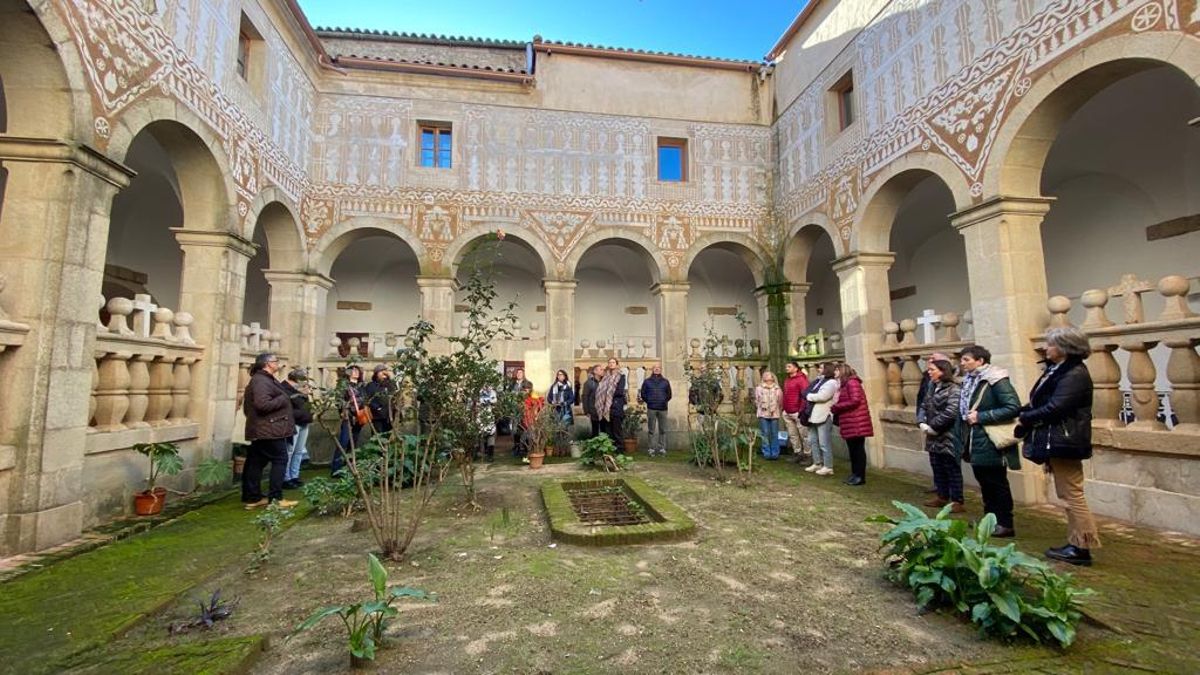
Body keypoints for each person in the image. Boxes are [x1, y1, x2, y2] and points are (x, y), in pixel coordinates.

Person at [1018, 327, 1100, 565]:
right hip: (1058, 438)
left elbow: (1057, 407)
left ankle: (1082, 547)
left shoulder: (1074, 374)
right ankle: (1076, 542)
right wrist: (1023, 411)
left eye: (1051, 344)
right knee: (1068, 494)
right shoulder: (1059, 370)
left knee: (1072, 494)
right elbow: (1042, 400)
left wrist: (1027, 418)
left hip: (1065, 439)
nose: (1047, 348)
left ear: (1066, 348)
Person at [959, 345, 1021, 536]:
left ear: (980, 361)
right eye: (962, 359)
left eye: (966, 359)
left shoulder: (996, 380)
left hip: (991, 440)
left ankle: (1005, 523)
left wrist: (981, 417)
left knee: (996, 482)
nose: (962, 363)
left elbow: (1013, 407)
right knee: (984, 482)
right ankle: (989, 519)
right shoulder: (970, 380)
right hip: (975, 439)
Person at [242, 353, 297, 509]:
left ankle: (253, 497)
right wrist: (284, 398)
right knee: (280, 460)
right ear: (267, 364)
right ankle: (275, 498)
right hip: (269, 430)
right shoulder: (261, 381)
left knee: (256, 462)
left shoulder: (264, 379)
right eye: (275, 361)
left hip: (264, 429)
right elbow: (262, 404)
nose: (278, 363)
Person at [919, 359, 964, 508]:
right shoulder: (932, 386)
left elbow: (951, 412)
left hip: (948, 434)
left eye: (932, 369)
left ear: (943, 371)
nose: (929, 372)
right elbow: (924, 405)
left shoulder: (954, 389)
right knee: (937, 466)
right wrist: (921, 422)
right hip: (933, 435)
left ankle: (957, 500)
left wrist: (933, 426)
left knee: (951, 468)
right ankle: (942, 496)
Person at [831, 363, 873, 485]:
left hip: (856, 421)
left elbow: (855, 400)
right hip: (850, 421)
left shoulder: (852, 383)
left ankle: (860, 476)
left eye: (837, 370)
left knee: (858, 450)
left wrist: (837, 407)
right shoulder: (845, 384)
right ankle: (855, 474)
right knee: (853, 450)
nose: (835, 373)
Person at [915, 351, 950, 494]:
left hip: (944, 426)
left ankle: (952, 495)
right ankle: (939, 487)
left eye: (933, 359)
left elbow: (951, 408)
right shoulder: (927, 378)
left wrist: (935, 424)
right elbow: (923, 399)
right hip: (928, 423)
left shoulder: (951, 384)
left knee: (948, 462)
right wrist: (921, 419)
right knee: (934, 458)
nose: (929, 360)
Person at [805, 363, 840, 476]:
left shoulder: (831, 383)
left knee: (824, 442)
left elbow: (823, 396)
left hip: (823, 414)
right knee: (812, 440)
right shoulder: (819, 380)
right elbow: (808, 390)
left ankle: (828, 466)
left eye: (821, 367)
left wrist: (809, 396)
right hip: (813, 414)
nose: (818, 369)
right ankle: (817, 462)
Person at [280, 367, 312, 490]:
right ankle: (286, 478)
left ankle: (294, 476)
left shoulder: (299, 390)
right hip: (293, 423)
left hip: (304, 422)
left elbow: (306, 405)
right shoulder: (284, 389)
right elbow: (291, 408)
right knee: (290, 451)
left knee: (298, 452)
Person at [333, 365, 365, 476]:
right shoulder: (343, 385)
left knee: (354, 443)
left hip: (359, 416)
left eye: (358, 370)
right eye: (353, 370)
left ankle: (351, 467)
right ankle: (337, 469)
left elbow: (365, 399)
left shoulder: (361, 385)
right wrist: (344, 411)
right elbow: (339, 400)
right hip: (348, 416)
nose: (356, 372)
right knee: (344, 441)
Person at [639, 364, 672, 456]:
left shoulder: (665, 382)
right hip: (651, 408)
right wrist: (649, 401)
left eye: (659, 368)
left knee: (663, 430)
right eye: (655, 368)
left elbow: (669, 395)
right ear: (652, 369)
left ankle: (662, 448)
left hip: (663, 408)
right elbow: (643, 393)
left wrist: (664, 401)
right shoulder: (647, 381)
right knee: (651, 430)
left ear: (661, 370)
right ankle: (651, 448)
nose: (657, 369)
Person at [781, 361, 810, 462]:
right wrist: (784, 409)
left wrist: (801, 410)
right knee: (792, 434)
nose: (787, 368)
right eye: (786, 366)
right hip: (787, 411)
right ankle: (797, 452)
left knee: (804, 434)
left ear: (796, 368)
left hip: (797, 411)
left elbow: (804, 396)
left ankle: (807, 454)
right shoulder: (787, 380)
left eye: (789, 366)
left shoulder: (801, 380)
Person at [595, 358, 627, 445]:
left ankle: (619, 449)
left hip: (616, 406)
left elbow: (620, 391)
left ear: (616, 364)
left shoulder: (621, 376)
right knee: (608, 430)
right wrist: (606, 395)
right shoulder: (605, 377)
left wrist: (609, 394)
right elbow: (600, 391)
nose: (611, 364)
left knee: (617, 430)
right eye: (609, 362)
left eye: (613, 362)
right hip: (605, 407)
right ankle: (610, 449)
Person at [754, 371, 784, 460]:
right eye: (765, 374)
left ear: (773, 377)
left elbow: (780, 402)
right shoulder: (759, 388)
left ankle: (775, 453)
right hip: (763, 414)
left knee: (774, 433)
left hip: (774, 414)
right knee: (765, 433)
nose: (766, 375)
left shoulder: (777, 389)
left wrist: (775, 409)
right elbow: (757, 400)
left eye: (768, 374)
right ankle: (766, 453)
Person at [363, 364, 398, 436]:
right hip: (377, 417)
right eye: (381, 371)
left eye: (385, 371)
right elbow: (367, 399)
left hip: (390, 416)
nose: (384, 373)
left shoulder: (391, 384)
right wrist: (377, 408)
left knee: (388, 436)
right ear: (376, 374)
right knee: (377, 437)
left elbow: (395, 395)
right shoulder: (371, 385)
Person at [477, 385, 498, 462]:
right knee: (481, 434)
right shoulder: (477, 391)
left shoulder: (492, 392)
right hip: (480, 414)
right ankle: (481, 452)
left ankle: (490, 455)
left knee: (491, 433)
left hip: (489, 415)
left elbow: (494, 401)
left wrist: (489, 401)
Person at [582, 364, 602, 438]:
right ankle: (595, 446)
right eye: (600, 369)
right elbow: (585, 397)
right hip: (594, 410)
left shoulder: (604, 382)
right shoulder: (589, 383)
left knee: (604, 429)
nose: (602, 371)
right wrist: (586, 411)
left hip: (603, 410)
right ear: (595, 371)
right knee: (595, 430)